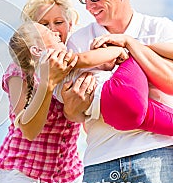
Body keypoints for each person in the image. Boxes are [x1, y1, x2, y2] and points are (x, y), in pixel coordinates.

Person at [62, 0, 173, 183]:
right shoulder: (79, 42)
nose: (89, 5)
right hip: (100, 160)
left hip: (157, 153)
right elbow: (73, 115)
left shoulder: (160, 29)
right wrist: (73, 104)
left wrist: (130, 45)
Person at [0, 0, 88, 183]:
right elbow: (29, 130)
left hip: (69, 177)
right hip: (24, 175)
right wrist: (48, 82)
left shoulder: (77, 64)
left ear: (70, 25)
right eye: (44, 25)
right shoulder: (20, 70)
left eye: (58, 22)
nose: (53, 29)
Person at [12, 21, 173, 137]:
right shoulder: (52, 58)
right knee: (137, 52)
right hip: (118, 94)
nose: (54, 32)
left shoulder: (41, 74)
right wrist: (119, 49)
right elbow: (86, 59)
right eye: (47, 32)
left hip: (112, 116)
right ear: (36, 50)